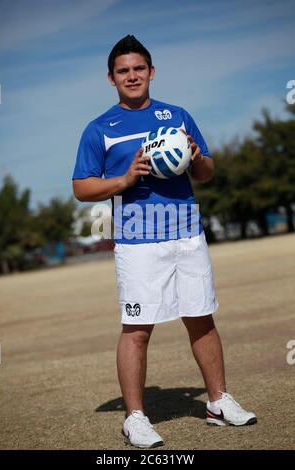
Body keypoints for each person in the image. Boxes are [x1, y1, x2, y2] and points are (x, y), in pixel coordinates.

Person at [72, 35, 257, 449]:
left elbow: (207, 171)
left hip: (188, 234)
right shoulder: (99, 128)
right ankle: (135, 418)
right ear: (111, 78)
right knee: (137, 329)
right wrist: (124, 179)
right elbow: (82, 188)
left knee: (202, 317)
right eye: (123, 71)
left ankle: (218, 402)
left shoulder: (178, 116)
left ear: (151, 72)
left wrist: (196, 156)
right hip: (138, 242)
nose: (132, 76)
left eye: (139, 68)